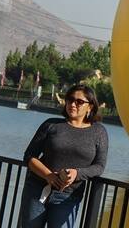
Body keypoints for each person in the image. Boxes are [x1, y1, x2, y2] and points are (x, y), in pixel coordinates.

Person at [20, 84, 109, 228]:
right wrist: (49, 175)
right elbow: (29, 156)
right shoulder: (51, 125)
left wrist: (76, 173)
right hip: (37, 190)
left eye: (79, 102)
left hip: (68, 197)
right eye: (70, 99)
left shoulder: (99, 132)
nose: (73, 104)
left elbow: (99, 166)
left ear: (90, 106)